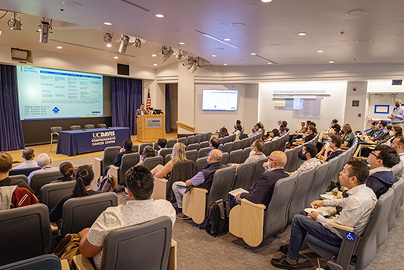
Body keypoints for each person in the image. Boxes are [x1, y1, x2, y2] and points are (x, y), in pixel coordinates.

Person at [271, 160, 377, 270]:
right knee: (304, 213)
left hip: (342, 238)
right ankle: (293, 248)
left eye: (344, 171)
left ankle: (291, 261)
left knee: (298, 219)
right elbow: (345, 201)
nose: (340, 173)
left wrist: (318, 218)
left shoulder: (356, 200)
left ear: (353, 179)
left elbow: (340, 228)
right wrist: (324, 203)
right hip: (345, 229)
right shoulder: (366, 191)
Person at [78, 166, 176, 269]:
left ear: (129, 192)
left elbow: (86, 252)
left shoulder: (111, 217)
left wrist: (85, 234)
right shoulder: (167, 208)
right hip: (151, 263)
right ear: (153, 185)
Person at [172, 149, 226, 218]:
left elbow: (188, 183)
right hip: (217, 196)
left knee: (176, 185)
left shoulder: (204, 173)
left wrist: (188, 180)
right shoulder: (225, 168)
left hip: (200, 195)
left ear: (210, 158)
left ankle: (183, 209)